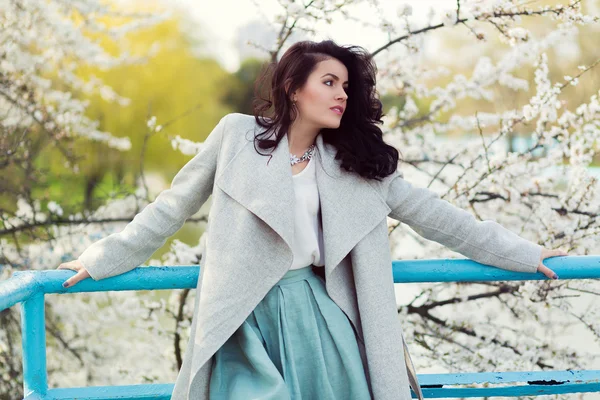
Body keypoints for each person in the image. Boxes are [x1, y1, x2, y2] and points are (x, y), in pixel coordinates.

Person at [57, 40, 566, 400]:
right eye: (329, 81)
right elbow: (171, 208)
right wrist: (105, 258)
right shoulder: (236, 137)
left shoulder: (357, 166)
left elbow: (440, 219)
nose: (342, 93)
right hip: (245, 319)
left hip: (321, 318)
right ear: (293, 89)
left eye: (346, 84)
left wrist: (522, 253)